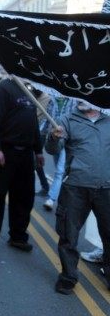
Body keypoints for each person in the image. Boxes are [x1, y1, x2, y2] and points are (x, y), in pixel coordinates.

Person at [45, 99, 110, 294]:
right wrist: (54, 138)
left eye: (86, 97)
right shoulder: (66, 120)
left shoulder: (108, 121)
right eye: (79, 97)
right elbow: (52, 150)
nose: (81, 100)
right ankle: (68, 277)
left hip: (106, 189)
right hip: (75, 188)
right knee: (68, 235)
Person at [0, 77, 43, 253]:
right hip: (5, 152)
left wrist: (38, 150)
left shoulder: (29, 91)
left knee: (24, 198)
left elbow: (33, 123)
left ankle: (18, 237)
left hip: (26, 154)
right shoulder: (1, 89)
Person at [42, 96, 76, 211]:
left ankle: (51, 198)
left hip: (67, 139)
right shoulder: (52, 100)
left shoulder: (74, 101)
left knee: (60, 171)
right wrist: (40, 134)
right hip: (54, 139)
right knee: (61, 170)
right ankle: (64, 196)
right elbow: (47, 119)